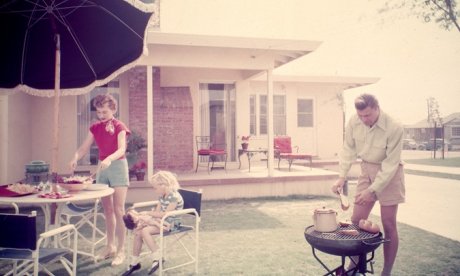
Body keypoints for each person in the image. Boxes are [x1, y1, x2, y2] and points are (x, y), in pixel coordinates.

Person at [331, 93, 405, 276]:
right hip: (366, 169)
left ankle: (386, 271)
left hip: (391, 173)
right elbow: (348, 149)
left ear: (377, 108)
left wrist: (373, 191)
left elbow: (390, 165)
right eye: (361, 115)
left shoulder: (394, 126)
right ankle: (354, 266)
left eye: (368, 115)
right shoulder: (354, 121)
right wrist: (342, 176)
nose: (364, 119)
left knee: (389, 224)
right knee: (355, 222)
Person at [69, 93, 130, 266]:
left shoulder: (120, 126)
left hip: (117, 167)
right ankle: (109, 246)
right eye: (99, 112)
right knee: (107, 211)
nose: (101, 115)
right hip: (102, 169)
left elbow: (122, 149)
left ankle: (121, 250)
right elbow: (83, 148)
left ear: (113, 109)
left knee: (119, 210)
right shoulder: (95, 127)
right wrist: (75, 157)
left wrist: (110, 158)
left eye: (104, 111)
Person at [123, 171, 184, 276]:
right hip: (162, 221)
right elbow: (157, 212)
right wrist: (148, 219)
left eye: (155, 187)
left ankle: (157, 257)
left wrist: (148, 214)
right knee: (138, 231)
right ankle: (135, 262)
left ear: (164, 185)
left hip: (172, 224)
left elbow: (165, 214)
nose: (154, 190)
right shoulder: (162, 196)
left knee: (145, 231)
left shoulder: (174, 196)